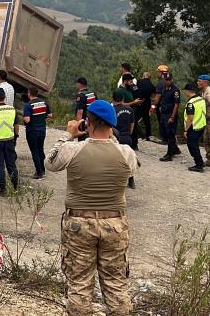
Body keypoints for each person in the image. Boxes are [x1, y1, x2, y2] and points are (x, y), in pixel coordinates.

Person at [45, 99, 139, 316]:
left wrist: (68, 133)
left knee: (79, 284)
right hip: (115, 224)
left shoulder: (72, 149)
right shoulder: (126, 153)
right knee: (117, 285)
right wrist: (110, 135)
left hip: (79, 223)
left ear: (88, 122)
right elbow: (128, 165)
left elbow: (50, 163)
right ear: (112, 125)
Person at [23, 86, 51, 179]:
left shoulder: (28, 105)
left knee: (34, 151)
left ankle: (38, 172)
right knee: (40, 149)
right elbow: (50, 115)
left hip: (32, 131)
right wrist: (42, 118)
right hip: (42, 130)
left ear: (29, 93)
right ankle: (43, 169)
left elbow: (27, 120)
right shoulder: (44, 103)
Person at [113, 89, 136, 189]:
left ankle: (116, 181)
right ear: (122, 99)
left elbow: (111, 125)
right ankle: (131, 180)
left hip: (117, 138)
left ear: (113, 99)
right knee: (128, 159)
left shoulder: (113, 110)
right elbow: (132, 124)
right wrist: (129, 133)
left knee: (115, 160)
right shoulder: (130, 110)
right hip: (127, 137)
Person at [157, 74, 182, 161]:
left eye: (169, 80)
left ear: (172, 80)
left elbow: (176, 104)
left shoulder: (175, 90)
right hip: (163, 113)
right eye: (166, 80)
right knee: (164, 133)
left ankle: (169, 154)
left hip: (170, 114)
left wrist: (172, 116)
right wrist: (160, 106)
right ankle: (175, 149)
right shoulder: (164, 88)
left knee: (170, 134)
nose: (167, 81)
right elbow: (163, 99)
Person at [183, 83, 207, 172]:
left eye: (185, 91)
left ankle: (199, 164)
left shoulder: (191, 103)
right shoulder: (200, 99)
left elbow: (190, 118)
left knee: (192, 146)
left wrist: (185, 130)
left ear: (188, 91)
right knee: (195, 145)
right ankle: (200, 162)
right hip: (201, 125)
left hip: (193, 127)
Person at [134, 72, 156, 141]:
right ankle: (148, 135)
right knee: (147, 120)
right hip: (147, 103)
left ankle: (136, 135)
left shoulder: (139, 82)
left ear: (143, 76)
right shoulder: (152, 86)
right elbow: (154, 98)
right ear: (149, 78)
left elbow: (134, 88)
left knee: (134, 119)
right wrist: (153, 107)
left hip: (139, 102)